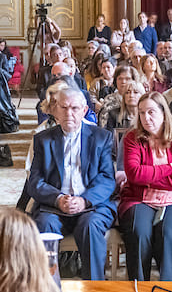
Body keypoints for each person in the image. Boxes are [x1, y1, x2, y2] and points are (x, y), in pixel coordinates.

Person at [24, 88, 117, 280]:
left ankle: (94, 288)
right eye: (64, 108)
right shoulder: (43, 139)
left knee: (90, 227)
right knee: (44, 225)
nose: (69, 113)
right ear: (55, 110)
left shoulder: (101, 137)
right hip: (54, 207)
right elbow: (35, 181)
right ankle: (46, 289)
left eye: (75, 108)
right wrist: (58, 199)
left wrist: (84, 201)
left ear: (84, 111)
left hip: (91, 207)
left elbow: (107, 178)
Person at [120, 92, 172, 281]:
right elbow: (134, 174)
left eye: (151, 112)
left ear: (164, 112)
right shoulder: (133, 138)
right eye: (142, 113)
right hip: (140, 199)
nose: (146, 118)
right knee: (140, 232)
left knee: (168, 232)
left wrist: (147, 177)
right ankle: (137, 290)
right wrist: (169, 168)